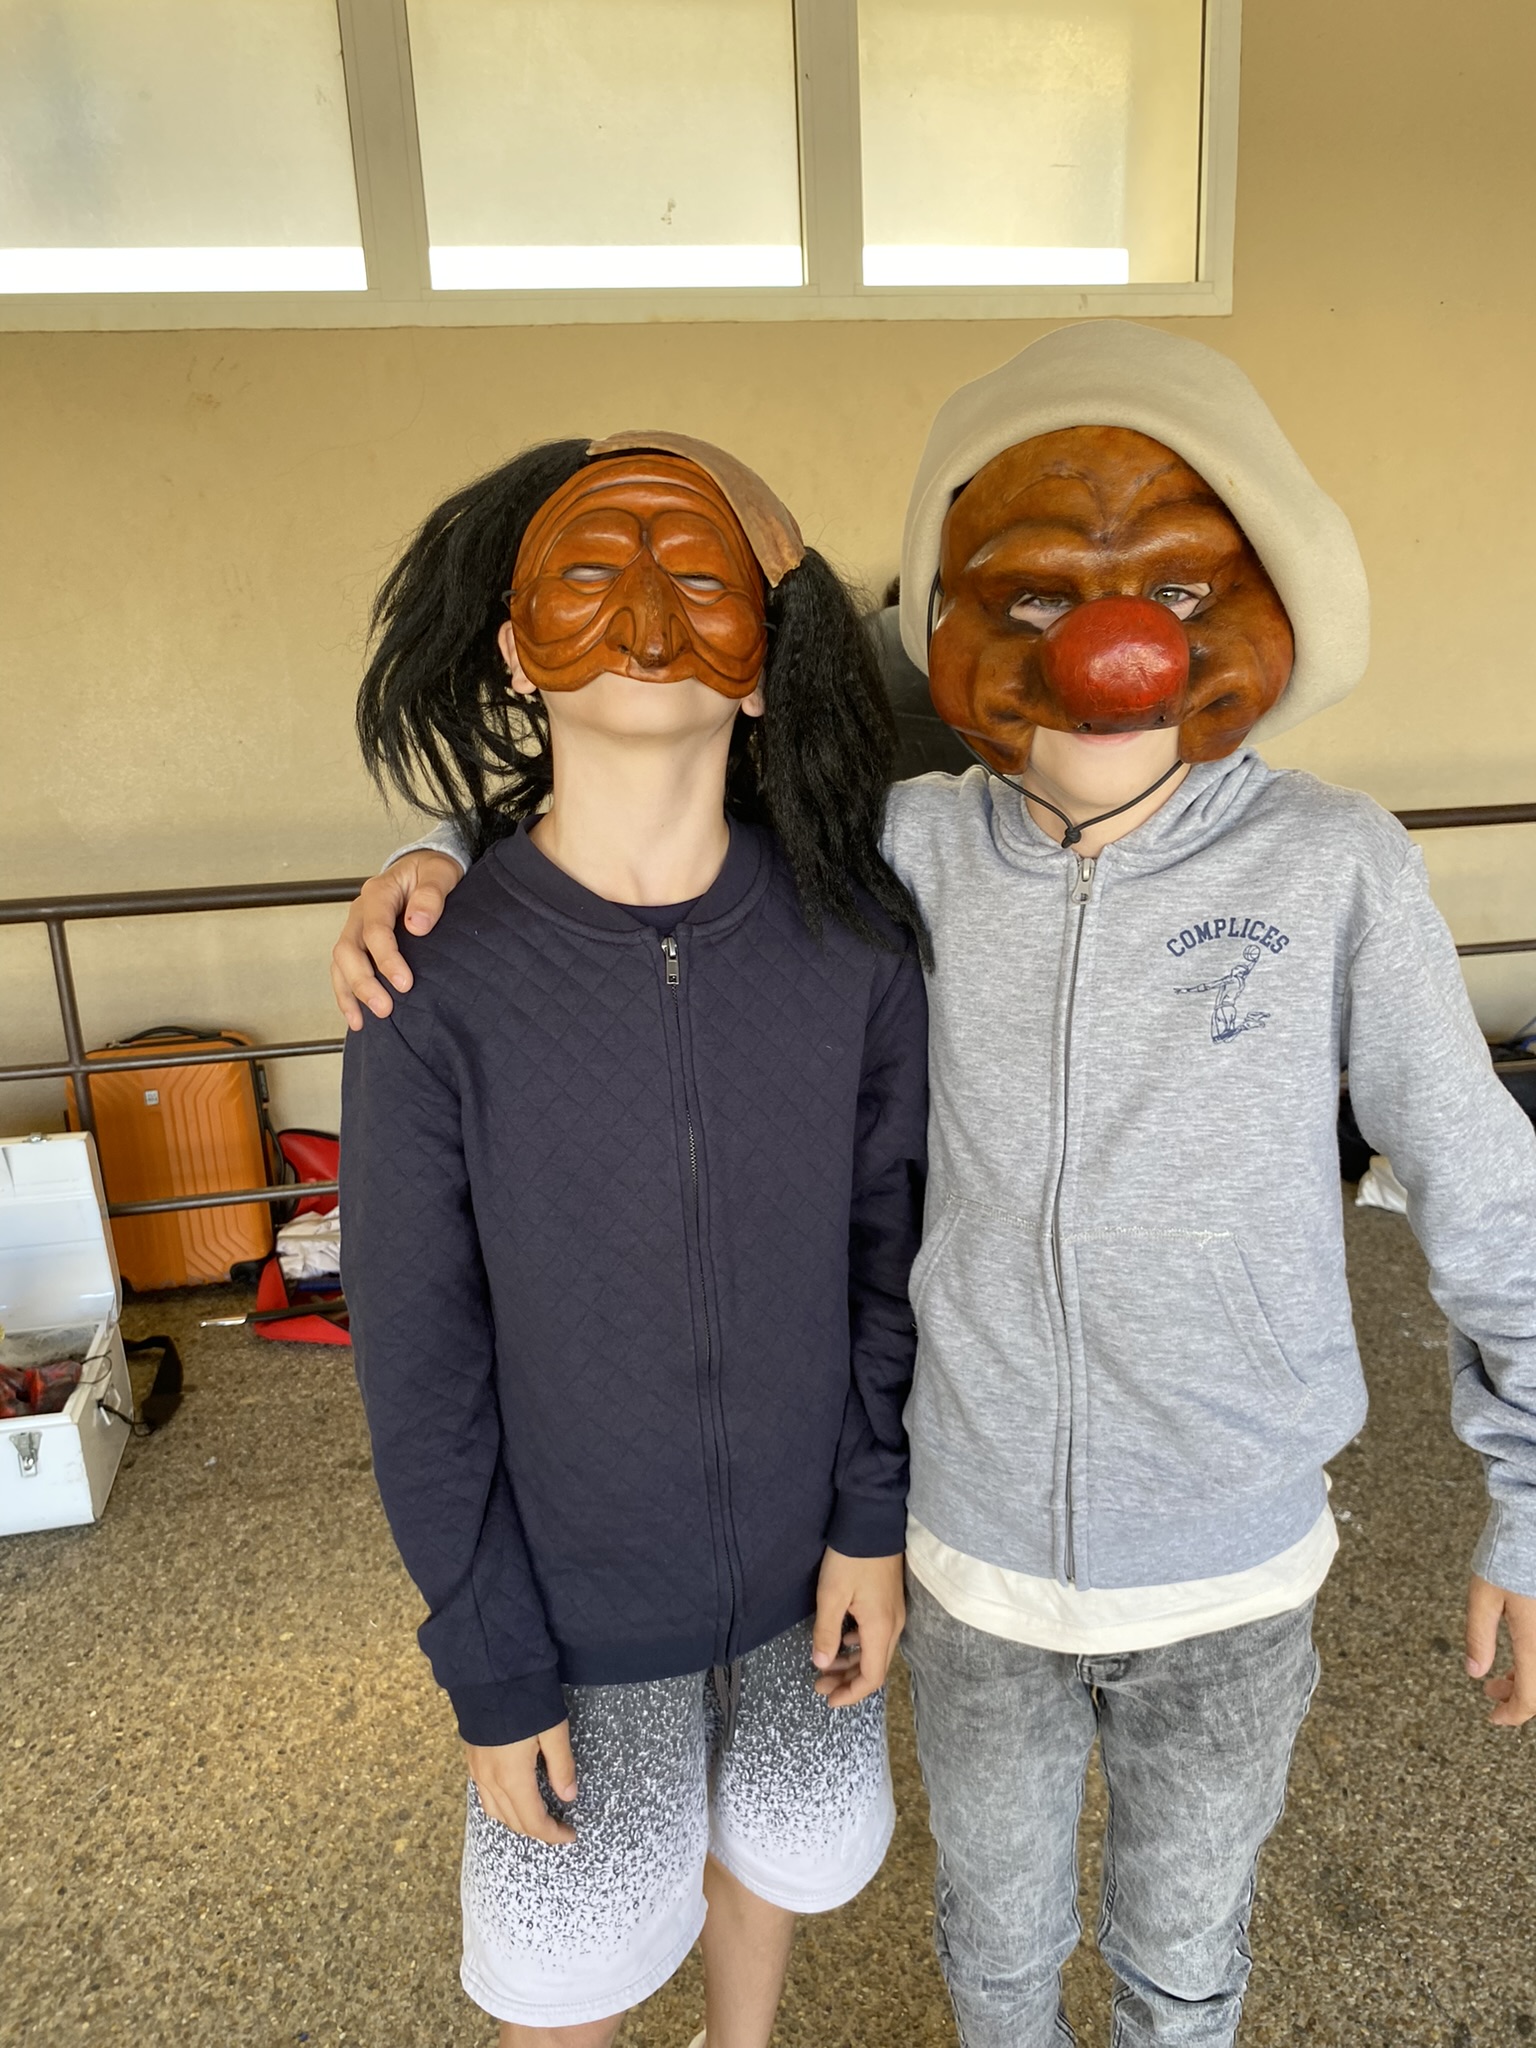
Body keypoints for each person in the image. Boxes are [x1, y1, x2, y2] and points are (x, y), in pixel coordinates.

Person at [335, 326, 1536, 2048]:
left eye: (1174, 588)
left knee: (1184, 1961)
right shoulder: (905, 855)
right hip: (975, 1566)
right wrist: (437, 857)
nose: (1114, 643)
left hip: (1230, 1564)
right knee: (992, 1950)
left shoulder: (1320, 868)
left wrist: (1529, 1493)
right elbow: (647, 770)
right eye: (1037, 596)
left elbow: (1488, 1187)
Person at [339, 430, 929, 2048]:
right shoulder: (430, 985)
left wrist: (870, 1515)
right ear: (517, 652)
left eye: (700, 575)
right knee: (568, 1953)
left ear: (764, 663)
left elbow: (889, 1253)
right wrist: (489, 1656)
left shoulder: (857, 947)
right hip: (573, 1606)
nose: (648, 609)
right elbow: (419, 1354)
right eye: (591, 570)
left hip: (810, 1569)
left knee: (784, 1848)